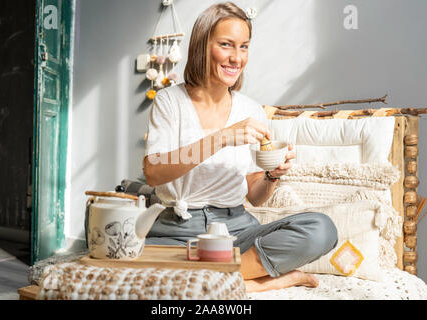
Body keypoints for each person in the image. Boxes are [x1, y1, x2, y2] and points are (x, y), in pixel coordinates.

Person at [143, 2, 337, 292]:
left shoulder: (251, 110)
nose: (236, 58)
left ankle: (210, 279)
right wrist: (220, 137)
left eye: (244, 47)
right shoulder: (170, 101)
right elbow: (153, 172)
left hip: (234, 230)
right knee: (122, 257)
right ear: (201, 46)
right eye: (226, 45)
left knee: (321, 229)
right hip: (177, 230)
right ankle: (258, 282)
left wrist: (272, 175)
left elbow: (255, 197)